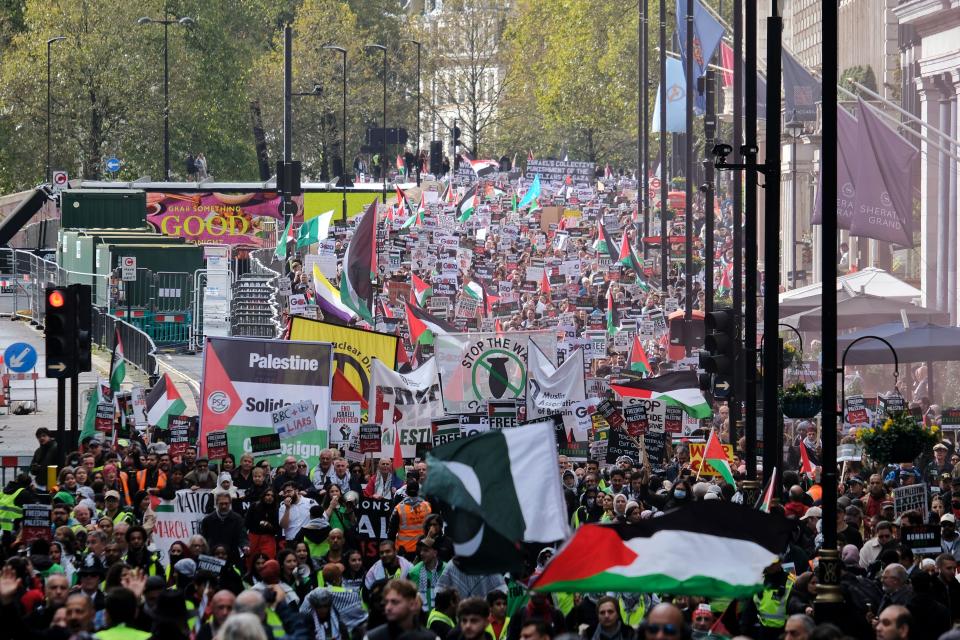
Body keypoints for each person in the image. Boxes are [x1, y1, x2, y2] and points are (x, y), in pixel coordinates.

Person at [363, 579, 433, 640]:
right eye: (386, 602)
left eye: (395, 602)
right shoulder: (371, 637)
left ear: (412, 604)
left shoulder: (431, 638)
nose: (388, 607)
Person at [200, 490, 248, 566]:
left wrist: (245, 546)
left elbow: (243, 536)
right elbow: (203, 539)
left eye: (226, 504)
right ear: (216, 504)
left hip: (232, 558)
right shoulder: (207, 520)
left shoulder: (238, 519)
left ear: (230, 503)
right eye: (221, 504)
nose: (224, 506)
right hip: (213, 559)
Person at [389, 480, 432, 558]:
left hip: (404, 550)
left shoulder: (399, 508)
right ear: (418, 491)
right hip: (422, 549)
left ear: (406, 492)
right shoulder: (427, 506)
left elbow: (391, 532)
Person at [408, 535, 446, 613]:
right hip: (422, 616)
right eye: (421, 550)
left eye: (426, 550)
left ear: (435, 553)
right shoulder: (414, 572)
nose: (421, 553)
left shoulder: (446, 570)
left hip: (443, 616)